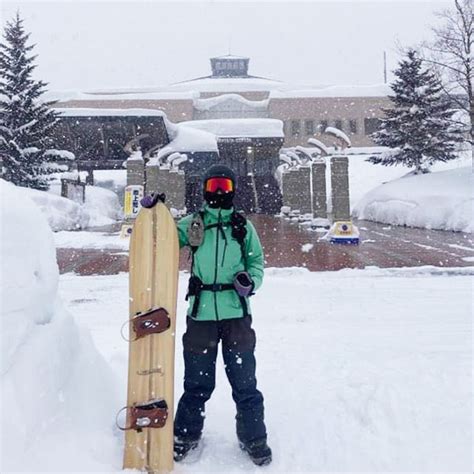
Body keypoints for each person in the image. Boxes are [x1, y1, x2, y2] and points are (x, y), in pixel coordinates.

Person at [173, 164, 272, 466]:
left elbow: (257, 263)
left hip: (236, 316)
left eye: (225, 187)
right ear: (204, 189)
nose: (219, 193)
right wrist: (154, 214)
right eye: (214, 186)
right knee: (197, 382)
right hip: (201, 314)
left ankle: (253, 438)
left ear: (233, 190)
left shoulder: (243, 227)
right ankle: (186, 435)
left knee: (244, 381)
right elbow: (160, 240)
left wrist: (250, 281)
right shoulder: (193, 224)